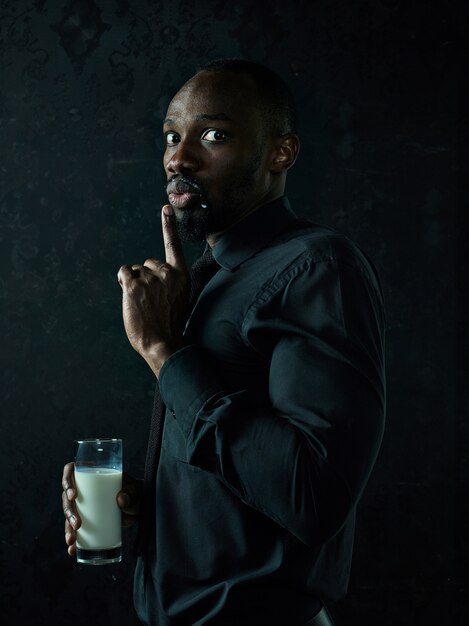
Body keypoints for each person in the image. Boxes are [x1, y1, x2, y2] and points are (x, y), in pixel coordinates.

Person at [62, 59, 386, 625]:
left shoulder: (318, 268)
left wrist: (165, 353)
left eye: (213, 135)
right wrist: (154, 501)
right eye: (171, 135)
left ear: (279, 153)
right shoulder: (213, 277)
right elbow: (241, 469)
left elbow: (312, 496)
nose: (178, 158)